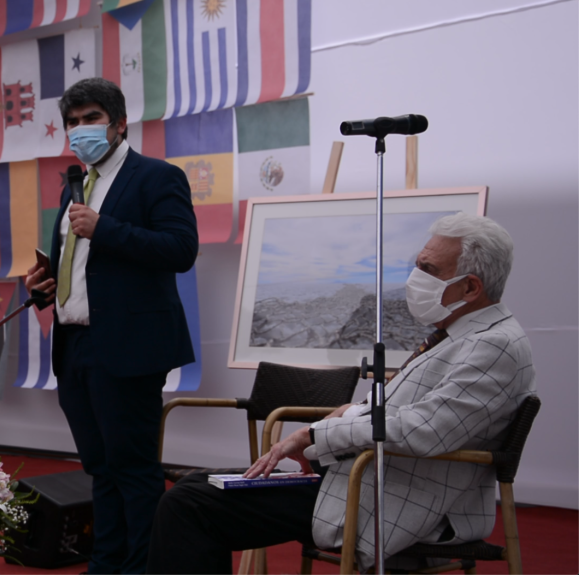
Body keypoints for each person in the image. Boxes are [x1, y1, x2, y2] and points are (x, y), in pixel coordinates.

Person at [147, 213, 536, 573]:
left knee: (190, 506)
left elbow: (425, 429)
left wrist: (312, 434)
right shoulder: (464, 336)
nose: (415, 277)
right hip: (364, 482)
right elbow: (405, 412)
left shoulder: (493, 345)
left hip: (393, 501)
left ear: (470, 287)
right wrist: (349, 413)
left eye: (428, 270)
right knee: (198, 489)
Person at [24, 78, 199, 574]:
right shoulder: (75, 185)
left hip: (128, 347)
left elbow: (180, 250)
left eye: (92, 118)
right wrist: (43, 287)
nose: (81, 129)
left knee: (134, 470)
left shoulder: (157, 177)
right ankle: (106, 563)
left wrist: (106, 228)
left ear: (120, 124)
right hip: (75, 344)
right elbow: (81, 272)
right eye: (73, 122)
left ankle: (140, 567)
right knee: (99, 467)